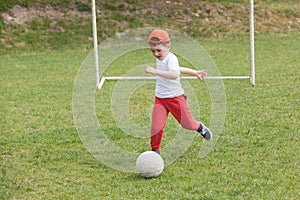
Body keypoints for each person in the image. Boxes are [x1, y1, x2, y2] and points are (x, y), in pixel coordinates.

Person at [144, 29, 212, 154]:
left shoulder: (171, 58)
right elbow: (178, 69)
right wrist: (194, 72)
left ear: (168, 46)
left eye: (159, 50)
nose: (156, 54)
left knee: (187, 125)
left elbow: (174, 74)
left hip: (175, 98)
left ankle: (199, 127)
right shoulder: (161, 58)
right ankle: (155, 151)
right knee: (156, 127)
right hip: (160, 98)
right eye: (153, 51)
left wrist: (154, 71)